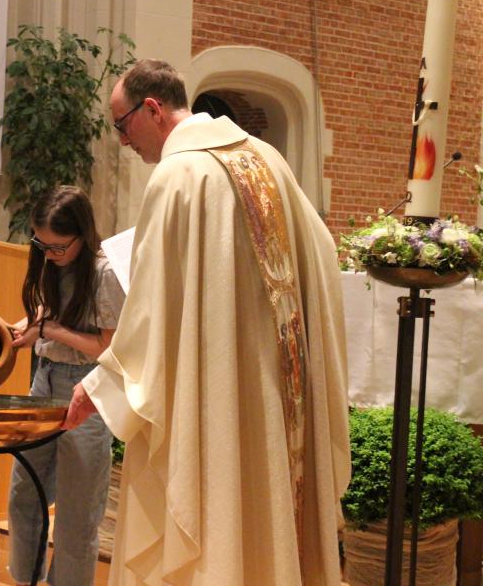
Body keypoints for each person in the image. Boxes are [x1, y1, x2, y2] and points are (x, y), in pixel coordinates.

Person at [62, 59, 351, 585]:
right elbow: (324, 252)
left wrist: (102, 382)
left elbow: (150, 310)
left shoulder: (179, 177)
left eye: (122, 125)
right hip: (280, 394)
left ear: (152, 109)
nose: (124, 142)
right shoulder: (267, 158)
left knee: (220, 511)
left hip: (217, 394)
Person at [6, 186, 125, 586]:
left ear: (82, 235)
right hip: (45, 380)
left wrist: (49, 329)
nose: (49, 254)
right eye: (42, 244)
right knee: (25, 495)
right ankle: (25, 580)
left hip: (87, 390)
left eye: (58, 247)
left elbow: (107, 347)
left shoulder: (106, 273)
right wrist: (29, 326)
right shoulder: (50, 262)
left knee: (77, 514)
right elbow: (50, 311)